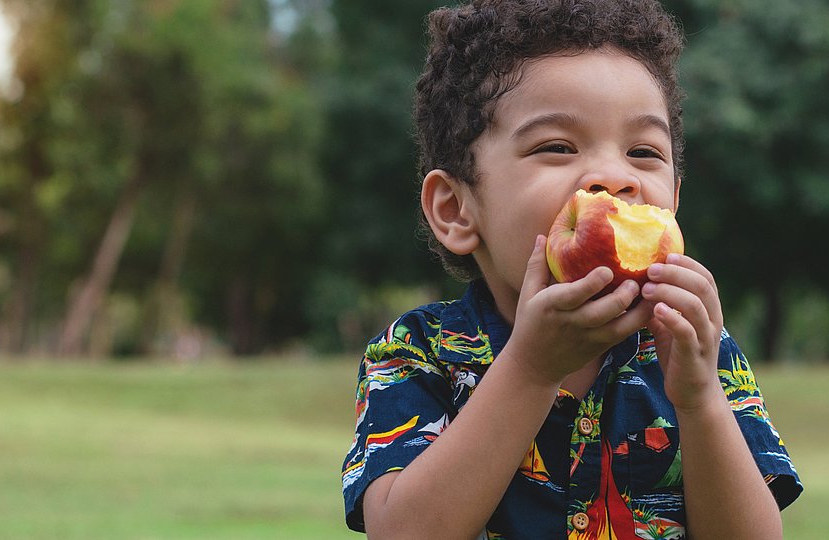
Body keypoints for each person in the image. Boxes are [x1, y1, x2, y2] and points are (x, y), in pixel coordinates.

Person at [340, 0, 803, 538]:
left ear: (671, 202)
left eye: (644, 152)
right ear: (456, 209)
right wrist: (534, 369)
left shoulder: (703, 352)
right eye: (558, 146)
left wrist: (699, 401)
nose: (613, 176)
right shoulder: (418, 353)